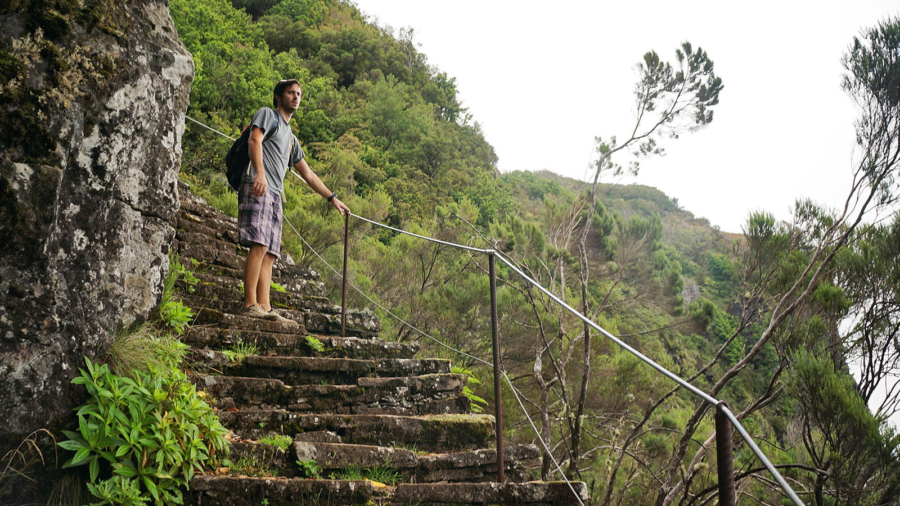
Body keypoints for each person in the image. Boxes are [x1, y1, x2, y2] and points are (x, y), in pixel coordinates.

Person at [238, 79, 350, 323]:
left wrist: (332, 198)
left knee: (269, 253)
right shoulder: (268, 115)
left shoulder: (291, 139)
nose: (296, 97)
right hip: (258, 185)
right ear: (278, 96)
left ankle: (265, 307)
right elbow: (254, 140)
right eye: (291, 92)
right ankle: (249, 304)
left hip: (276, 195)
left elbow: (307, 174)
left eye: (299, 93)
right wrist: (260, 173)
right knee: (258, 244)